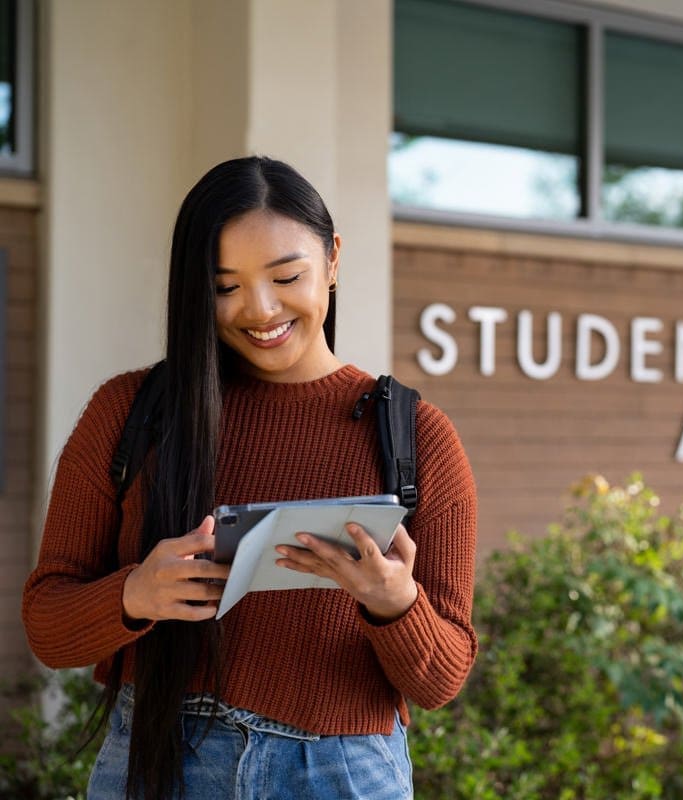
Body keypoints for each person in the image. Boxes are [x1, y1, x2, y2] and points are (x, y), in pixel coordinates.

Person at [21, 156, 477, 799]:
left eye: (286, 276)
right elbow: (47, 623)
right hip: (161, 758)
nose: (258, 310)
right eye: (223, 285)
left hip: (340, 773)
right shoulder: (130, 412)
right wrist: (135, 595)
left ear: (333, 260)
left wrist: (392, 601)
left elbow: (442, 679)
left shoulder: (416, 437)